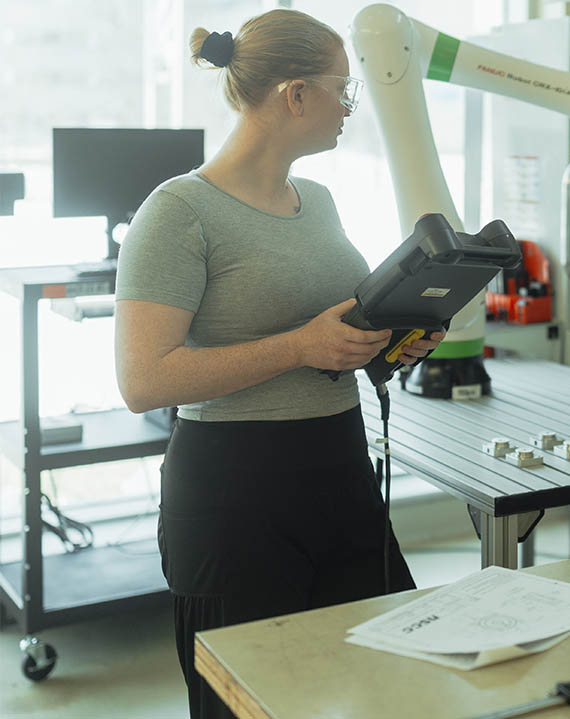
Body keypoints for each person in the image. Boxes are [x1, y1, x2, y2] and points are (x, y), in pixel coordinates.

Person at [113, 9, 443, 718]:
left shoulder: (316, 201)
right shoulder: (178, 212)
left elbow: (334, 331)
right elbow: (144, 380)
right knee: (246, 706)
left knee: (393, 689)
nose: (350, 107)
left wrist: (389, 344)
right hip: (235, 499)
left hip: (340, 475)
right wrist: (297, 347)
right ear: (295, 94)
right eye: (342, 91)